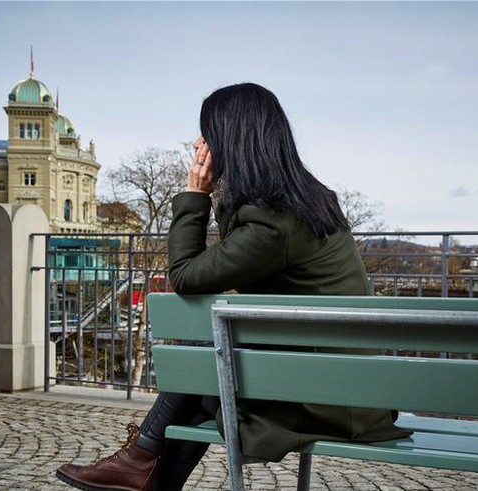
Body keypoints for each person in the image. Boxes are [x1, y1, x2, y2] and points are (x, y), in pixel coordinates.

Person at [56, 82, 411, 491]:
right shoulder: (304, 203)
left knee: (205, 370)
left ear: (232, 139)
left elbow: (186, 277)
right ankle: (140, 465)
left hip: (328, 400)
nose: (197, 143)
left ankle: (139, 461)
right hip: (341, 383)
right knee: (207, 375)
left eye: (206, 133)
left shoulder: (272, 222)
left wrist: (195, 195)